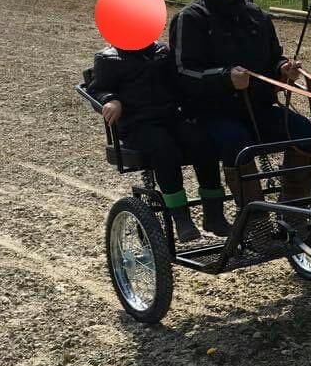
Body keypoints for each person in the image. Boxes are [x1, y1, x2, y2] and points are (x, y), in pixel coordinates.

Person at [169, 0, 311, 208]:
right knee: (238, 142)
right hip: (211, 114)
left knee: (306, 132)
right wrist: (225, 78)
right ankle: (254, 217)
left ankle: (293, 208)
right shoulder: (189, 19)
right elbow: (183, 73)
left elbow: (273, 58)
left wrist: (283, 68)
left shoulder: (257, 17)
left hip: (258, 109)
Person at [88, 42, 230, 243]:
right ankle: (181, 218)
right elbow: (97, 90)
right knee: (164, 149)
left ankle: (214, 214)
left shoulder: (162, 51)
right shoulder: (107, 58)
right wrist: (111, 100)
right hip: (137, 124)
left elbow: (178, 83)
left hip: (171, 117)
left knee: (202, 142)